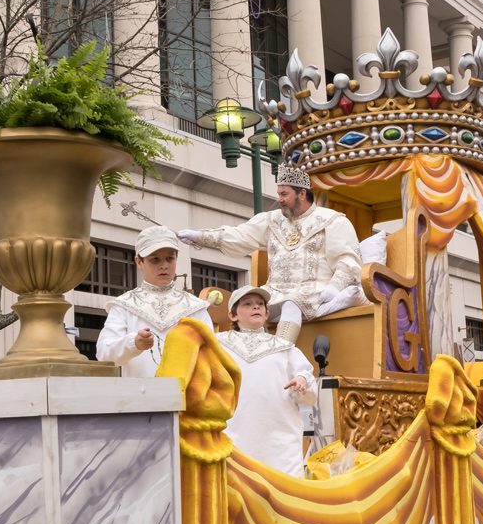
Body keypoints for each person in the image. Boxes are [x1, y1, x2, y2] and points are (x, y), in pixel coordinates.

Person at [178, 166, 362, 345]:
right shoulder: (272, 220)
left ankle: (279, 354)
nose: (279, 199)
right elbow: (240, 235)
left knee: (292, 303)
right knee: (248, 306)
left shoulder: (332, 221)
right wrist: (199, 237)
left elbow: (347, 259)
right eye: (278, 194)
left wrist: (335, 286)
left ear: (302, 193)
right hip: (274, 292)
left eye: (284, 194)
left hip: (314, 290)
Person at [217, 285, 317, 476]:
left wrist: (302, 382)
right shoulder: (218, 345)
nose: (256, 307)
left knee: (283, 494)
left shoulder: (286, 348)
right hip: (233, 433)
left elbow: (310, 398)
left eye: (260, 304)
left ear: (267, 313)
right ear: (233, 315)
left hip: (279, 442)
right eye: (247, 304)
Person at [96, 226, 214, 378]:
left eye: (169, 258)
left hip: (187, 398)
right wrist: (134, 343)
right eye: (155, 259)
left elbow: (211, 356)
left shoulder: (195, 307)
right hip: (139, 398)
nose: (164, 265)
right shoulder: (124, 305)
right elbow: (104, 354)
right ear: (139, 262)